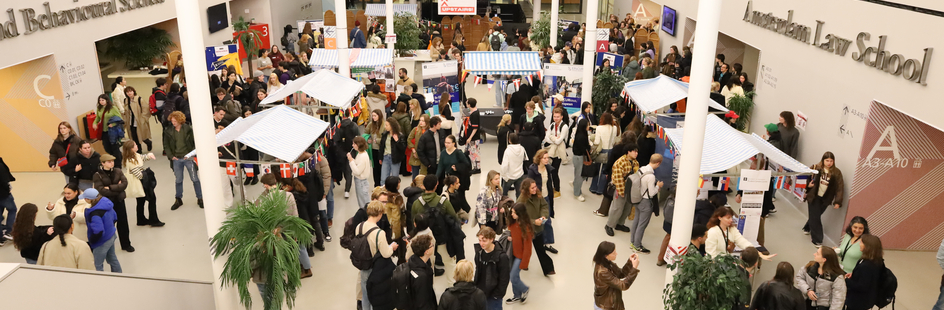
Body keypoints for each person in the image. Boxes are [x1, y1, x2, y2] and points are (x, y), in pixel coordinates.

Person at [354, 201, 397, 310]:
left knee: (365, 295)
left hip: (363, 266)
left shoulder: (359, 226)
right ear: (380, 214)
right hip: (376, 269)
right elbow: (385, 253)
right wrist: (392, 247)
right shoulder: (379, 233)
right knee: (376, 298)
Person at [92, 154, 133, 252]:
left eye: (112, 161)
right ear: (103, 163)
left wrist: (110, 187)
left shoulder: (118, 171)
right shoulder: (97, 175)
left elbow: (124, 184)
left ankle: (126, 244)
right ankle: (109, 247)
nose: (112, 163)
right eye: (109, 162)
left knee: (123, 223)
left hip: (119, 201)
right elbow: (101, 190)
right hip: (107, 203)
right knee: (109, 224)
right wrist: (117, 188)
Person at [164, 111, 203, 210]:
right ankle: (178, 199)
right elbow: (166, 145)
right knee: (178, 180)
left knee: (195, 179)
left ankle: (200, 198)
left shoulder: (188, 129)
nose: (173, 122)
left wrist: (192, 154)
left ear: (180, 120)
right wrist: (171, 156)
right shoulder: (168, 131)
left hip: (188, 158)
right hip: (176, 158)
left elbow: (195, 142)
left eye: (175, 120)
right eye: (172, 121)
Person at [804, 152, 845, 246]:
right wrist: (808, 185)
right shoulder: (815, 168)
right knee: (815, 217)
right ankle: (817, 239)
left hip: (826, 198)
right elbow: (805, 178)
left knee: (816, 215)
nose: (829, 163)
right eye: (827, 160)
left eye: (831, 161)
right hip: (813, 196)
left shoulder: (836, 172)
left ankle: (807, 227)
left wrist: (837, 201)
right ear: (823, 160)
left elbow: (840, 187)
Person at [706, 207, 776, 261]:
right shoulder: (713, 232)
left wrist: (759, 253)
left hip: (727, 263)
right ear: (719, 217)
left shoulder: (732, 230)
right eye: (728, 218)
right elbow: (711, 255)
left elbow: (743, 242)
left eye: (731, 217)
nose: (731, 220)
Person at [518, 178, 555, 276]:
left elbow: (544, 206)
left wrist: (543, 216)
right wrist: (534, 222)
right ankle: (522, 265)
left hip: (538, 230)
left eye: (535, 187)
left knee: (540, 249)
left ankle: (548, 269)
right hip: (527, 230)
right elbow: (519, 217)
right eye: (532, 188)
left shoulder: (538, 195)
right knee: (525, 249)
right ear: (526, 189)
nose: (535, 189)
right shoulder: (521, 201)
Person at [122, 141, 163, 227]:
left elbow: (142, 158)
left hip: (141, 182)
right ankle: (153, 220)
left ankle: (141, 219)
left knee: (141, 201)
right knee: (152, 199)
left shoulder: (135, 155)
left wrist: (149, 156)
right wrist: (146, 173)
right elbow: (139, 175)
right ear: (131, 149)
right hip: (142, 183)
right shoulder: (131, 161)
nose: (137, 146)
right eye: (135, 145)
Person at [81, 188, 121, 272]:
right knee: (112, 259)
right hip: (111, 235)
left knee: (97, 264)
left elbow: (98, 231)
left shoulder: (95, 214)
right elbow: (115, 217)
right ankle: (119, 276)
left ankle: (99, 282)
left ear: (89, 199)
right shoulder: (107, 204)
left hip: (102, 241)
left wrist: (92, 241)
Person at [629, 154, 663, 253]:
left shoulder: (642, 169)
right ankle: (637, 245)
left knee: (636, 221)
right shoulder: (651, 176)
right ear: (658, 163)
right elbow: (652, 193)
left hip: (637, 199)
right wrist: (658, 186)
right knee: (642, 224)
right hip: (645, 202)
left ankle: (632, 241)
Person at [592, 241, 640, 310]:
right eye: (614, 253)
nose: (616, 254)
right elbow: (624, 285)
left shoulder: (607, 263)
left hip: (612, 302)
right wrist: (634, 269)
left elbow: (621, 273)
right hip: (606, 306)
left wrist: (630, 262)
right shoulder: (602, 272)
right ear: (606, 255)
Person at [527, 150, 558, 255]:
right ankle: (535, 241)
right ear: (539, 159)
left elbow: (549, 183)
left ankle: (547, 242)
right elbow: (528, 186)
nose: (547, 160)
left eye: (547, 158)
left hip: (547, 198)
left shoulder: (548, 169)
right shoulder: (532, 170)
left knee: (547, 220)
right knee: (536, 221)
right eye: (544, 158)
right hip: (536, 200)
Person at [605, 143, 639, 237]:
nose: (636, 153)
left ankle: (620, 224)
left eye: (637, 151)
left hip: (630, 189)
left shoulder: (635, 162)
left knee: (627, 208)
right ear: (628, 152)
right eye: (634, 151)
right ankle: (609, 225)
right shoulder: (620, 162)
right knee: (617, 208)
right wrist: (621, 191)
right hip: (621, 188)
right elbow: (618, 178)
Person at [844, 234, 885, 310]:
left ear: (867, 246)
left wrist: (846, 280)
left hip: (859, 302)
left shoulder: (867, 266)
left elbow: (862, 286)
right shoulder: (874, 260)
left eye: (861, 243)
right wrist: (854, 275)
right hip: (863, 299)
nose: (859, 244)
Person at [473, 227, 510, 310]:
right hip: (480, 292)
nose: (481, 243)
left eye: (484, 240)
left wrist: (497, 295)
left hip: (494, 296)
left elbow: (504, 278)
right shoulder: (479, 253)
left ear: (491, 239)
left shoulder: (502, 257)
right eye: (479, 240)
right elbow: (477, 270)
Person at [504, 203, 532, 304]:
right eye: (511, 212)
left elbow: (528, 247)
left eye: (514, 213)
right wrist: (511, 238)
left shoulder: (526, 228)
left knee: (513, 276)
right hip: (513, 254)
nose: (512, 214)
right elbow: (513, 234)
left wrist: (524, 263)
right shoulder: (513, 223)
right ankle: (517, 295)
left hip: (520, 256)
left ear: (520, 214)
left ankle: (524, 289)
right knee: (515, 275)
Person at [590, 113, 619, 196]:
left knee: (597, 170)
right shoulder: (614, 128)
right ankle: (601, 190)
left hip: (601, 150)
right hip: (610, 150)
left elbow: (597, 142)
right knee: (605, 171)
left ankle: (593, 188)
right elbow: (614, 140)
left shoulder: (599, 128)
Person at [405, 234, 438, 310]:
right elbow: (422, 302)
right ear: (426, 251)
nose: (433, 246)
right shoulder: (421, 277)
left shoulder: (414, 261)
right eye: (431, 245)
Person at [92, 94, 124, 168]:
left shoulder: (113, 108)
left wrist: (113, 124)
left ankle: (118, 164)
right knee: (106, 147)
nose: (101, 102)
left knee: (114, 147)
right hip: (104, 131)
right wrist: (94, 123)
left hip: (112, 131)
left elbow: (120, 119)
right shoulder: (99, 108)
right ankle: (115, 158)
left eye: (103, 100)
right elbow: (98, 118)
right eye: (100, 100)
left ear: (107, 100)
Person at [334, 111, 361, 198]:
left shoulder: (338, 127)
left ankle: (343, 181)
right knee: (349, 170)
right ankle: (347, 190)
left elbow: (335, 141)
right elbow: (358, 137)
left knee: (343, 169)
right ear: (349, 115)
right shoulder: (354, 126)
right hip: (351, 151)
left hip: (341, 151)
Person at [544, 108, 568, 197]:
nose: (556, 118)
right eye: (554, 116)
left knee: (555, 171)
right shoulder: (552, 125)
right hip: (551, 151)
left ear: (561, 117)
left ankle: (557, 190)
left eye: (558, 117)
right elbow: (546, 137)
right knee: (550, 170)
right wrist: (554, 138)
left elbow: (560, 141)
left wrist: (552, 137)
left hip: (558, 152)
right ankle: (552, 188)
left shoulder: (564, 126)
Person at [121, 86, 152, 154]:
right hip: (130, 122)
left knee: (143, 136)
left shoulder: (139, 99)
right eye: (127, 92)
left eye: (130, 91)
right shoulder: (126, 100)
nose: (129, 93)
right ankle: (139, 151)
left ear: (133, 91)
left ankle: (148, 142)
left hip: (139, 121)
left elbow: (146, 110)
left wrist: (142, 119)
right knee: (134, 137)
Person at [501, 133, 527, 198]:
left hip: (509, 176)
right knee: (519, 195)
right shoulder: (522, 148)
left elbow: (504, 165)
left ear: (509, 140)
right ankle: (517, 207)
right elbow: (525, 158)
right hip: (520, 174)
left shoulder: (508, 150)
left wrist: (504, 176)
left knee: (504, 195)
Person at [348, 136, 372, 208]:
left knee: (363, 204)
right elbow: (358, 165)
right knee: (362, 201)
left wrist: (351, 160)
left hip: (361, 182)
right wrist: (352, 159)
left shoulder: (362, 156)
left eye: (354, 144)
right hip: (360, 181)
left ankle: (366, 217)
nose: (352, 145)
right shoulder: (361, 154)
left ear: (358, 145)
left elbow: (357, 171)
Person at [571, 119, 592, 201]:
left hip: (579, 157)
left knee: (579, 175)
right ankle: (577, 193)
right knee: (579, 176)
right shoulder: (581, 136)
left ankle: (575, 185)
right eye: (587, 125)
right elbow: (584, 148)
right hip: (579, 157)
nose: (588, 127)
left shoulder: (581, 133)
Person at [408, 114, 431, 178]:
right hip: (415, 155)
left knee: (423, 176)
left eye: (423, 121)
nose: (421, 122)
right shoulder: (415, 129)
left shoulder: (429, 131)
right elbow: (409, 140)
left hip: (425, 157)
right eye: (420, 120)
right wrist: (413, 149)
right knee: (415, 177)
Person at [464, 98, 482, 173]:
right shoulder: (474, 112)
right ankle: (474, 167)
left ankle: (477, 168)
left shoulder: (474, 115)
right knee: (471, 152)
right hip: (472, 137)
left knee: (475, 153)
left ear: (469, 105)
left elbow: (475, 128)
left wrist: (470, 137)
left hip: (474, 138)